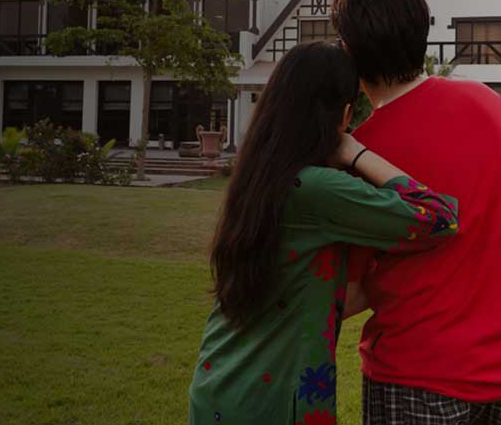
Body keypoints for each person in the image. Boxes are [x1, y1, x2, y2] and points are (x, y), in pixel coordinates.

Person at [334, 0, 501, 424]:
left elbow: (346, 295)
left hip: (412, 376)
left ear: (349, 51)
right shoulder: (490, 104)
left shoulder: (361, 154)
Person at [188, 41, 461, 425]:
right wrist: (356, 152)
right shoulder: (318, 189)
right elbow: (439, 217)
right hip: (274, 402)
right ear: (344, 113)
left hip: (219, 382)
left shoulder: (259, 176)